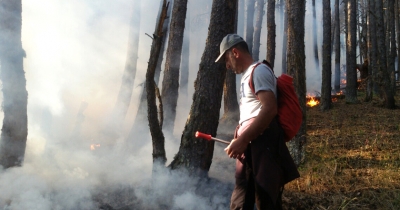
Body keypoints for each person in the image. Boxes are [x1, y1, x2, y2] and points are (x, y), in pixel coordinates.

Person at [215, 34, 300, 210]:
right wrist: (241, 140)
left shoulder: (259, 71)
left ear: (235, 52)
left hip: (264, 143)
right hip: (251, 146)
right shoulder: (247, 76)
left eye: (226, 59)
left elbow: (269, 109)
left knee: (266, 199)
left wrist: (244, 139)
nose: (227, 65)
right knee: (240, 200)